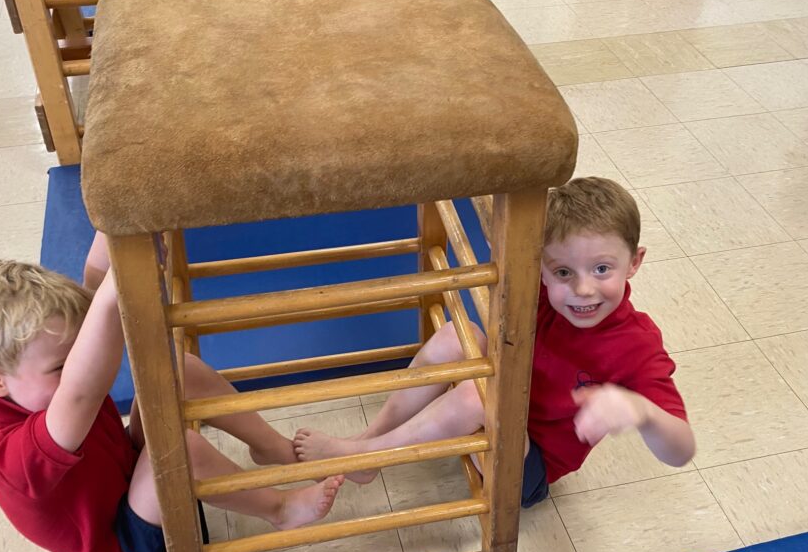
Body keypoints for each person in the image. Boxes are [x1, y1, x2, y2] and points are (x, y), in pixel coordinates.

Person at [0, 250, 344, 552]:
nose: (79, 369)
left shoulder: (30, 383)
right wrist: (126, 272)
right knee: (179, 448)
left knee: (177, 370)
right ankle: (279, 509)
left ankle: (272, 449)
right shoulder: (9, 455)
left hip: (124, 474)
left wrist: (121, 223)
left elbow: (96, 279)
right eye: (64, 366)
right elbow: (80, 391)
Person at [293, 177, 694, 508]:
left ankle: (368, 455)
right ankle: (368, 446)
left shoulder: (637, 345)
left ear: (635, 262)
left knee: (476, 396)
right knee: (457, 333)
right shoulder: (544, 289)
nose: (583, 289)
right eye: (563, 271)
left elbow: (681, 450)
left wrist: (640, 410)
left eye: (602, 269)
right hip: (504, 404)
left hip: (527, 470)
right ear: (541, 265)